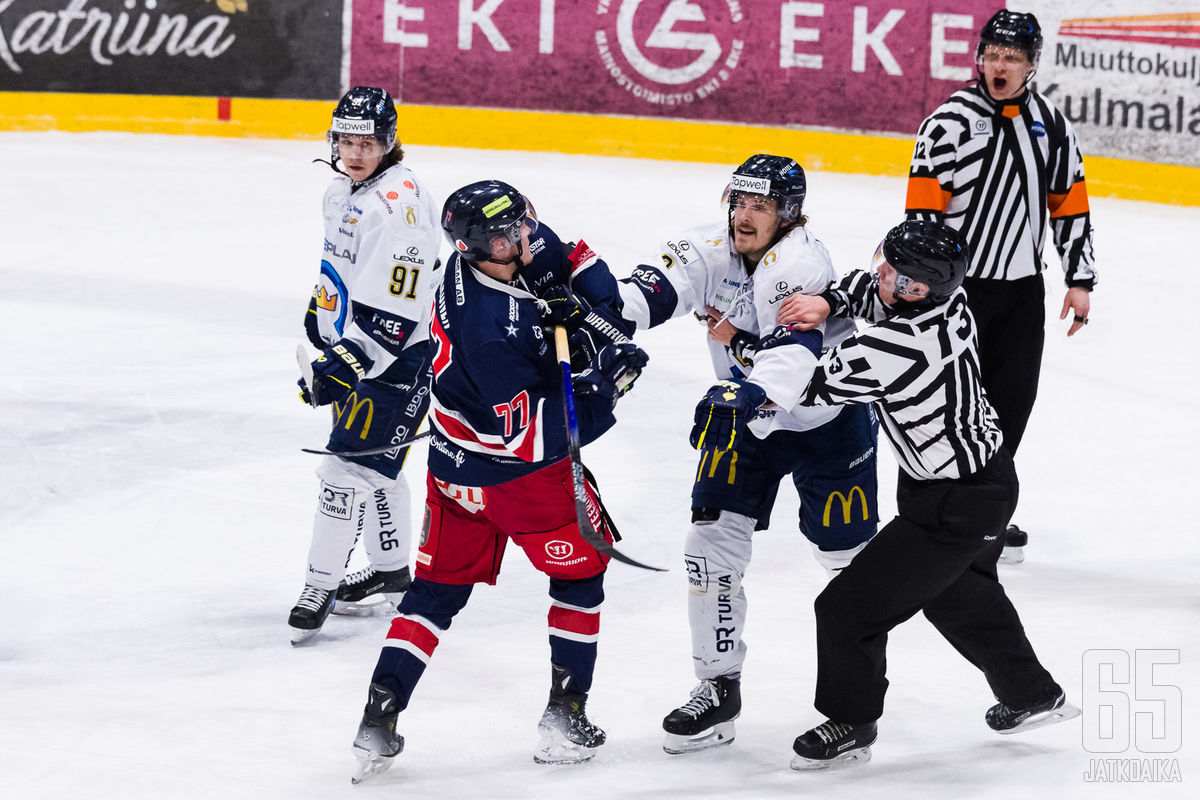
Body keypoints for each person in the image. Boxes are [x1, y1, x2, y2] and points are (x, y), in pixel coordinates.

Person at [348, 180, 649, 783]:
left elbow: (578, 259)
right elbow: (530, 437)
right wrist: (605, 389)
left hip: (451, 470)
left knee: (435, 593)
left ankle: (377, 717)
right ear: (478, 246)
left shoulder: (499, 255)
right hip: (517, 477)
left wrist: (587, 306)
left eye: (523, 225)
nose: (525, 237)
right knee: (581, 572)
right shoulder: (491, 332)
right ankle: (566, 716)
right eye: (510, 235)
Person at [772, 220, 1077, 771]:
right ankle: (1032, 694)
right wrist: (828, 299)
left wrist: (740, 345)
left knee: (846, 609)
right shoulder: (949, 299)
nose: (880, 272)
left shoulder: (897, 345)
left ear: (917, 289)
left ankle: (852, 723)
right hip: (974, 482)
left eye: (894, 270)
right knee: (958, 594)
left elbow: (803, 390)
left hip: (955, 505)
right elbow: (868, 290)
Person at [617, 154, 879, 755]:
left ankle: (855, 713)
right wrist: (595, 308)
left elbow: (792, 353)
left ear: (787, 214)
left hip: (825, 421)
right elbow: (649, 294)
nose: (743, 214)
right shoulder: (709, 249)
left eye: (759, 205)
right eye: (738, 201)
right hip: (746, 419)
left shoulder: (801, 264)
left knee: (852, 570)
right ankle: (718, 690)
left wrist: (749, 390)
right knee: (707, 548)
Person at [904, 9, 1098, 563]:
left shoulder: (1053, 125)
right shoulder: (949, 122)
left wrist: (1079, 278)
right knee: (951, 409)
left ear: (1032, 64)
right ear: (979, 57)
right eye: (992, 53)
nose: (1000, 64)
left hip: (1022, 296)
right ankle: (938, 516)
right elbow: (922, 212)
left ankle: (986, 520)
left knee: (1010, 408)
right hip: (959, 293)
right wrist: (920, 288)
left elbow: (1070, 205)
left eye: (1012, 56)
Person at [287, 86, 441, 645]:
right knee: (375, 470)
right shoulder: (340, 191)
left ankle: (319, 583)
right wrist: (322, 329)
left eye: (367, 143)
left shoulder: (398, 203)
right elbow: (339, 270)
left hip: (398, 360)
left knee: (341, 470)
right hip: (357, 352)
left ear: (389, 143)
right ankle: (392, 571)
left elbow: (401, 306)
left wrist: (349, 361)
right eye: (345, 141)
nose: (354, 153)